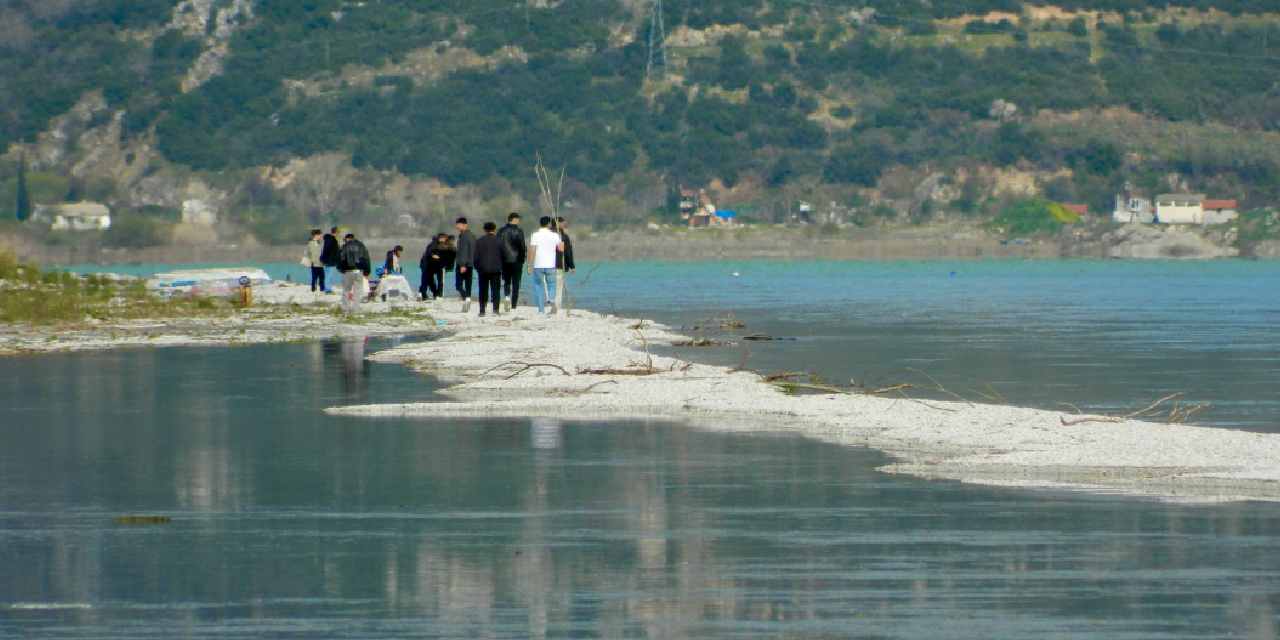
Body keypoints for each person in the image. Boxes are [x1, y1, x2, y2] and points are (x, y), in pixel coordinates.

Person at [526, 216, 564, 315]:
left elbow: (532, 250)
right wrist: (560, 239)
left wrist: (529, 265)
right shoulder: (555, 235)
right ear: (549, 224)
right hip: (550, 264)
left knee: (538, 286)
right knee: (552, 284)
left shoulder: (535, 235)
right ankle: (551, 298)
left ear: (540, 224)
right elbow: (561, 249)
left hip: (538, 265)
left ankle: (541, 310)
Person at [496, 212, 527, 312]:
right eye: (518, 219)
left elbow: (498, 245)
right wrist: (523, 259)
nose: (519, 221)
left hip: (504, 260)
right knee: (516, 283)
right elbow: (522, 246)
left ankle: (506, 297)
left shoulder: (501, 231)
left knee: (506, 280)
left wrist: (499, 258)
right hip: (517, 260)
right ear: (514, 219)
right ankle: (513, 305)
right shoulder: (519, 231)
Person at [474, 221, 504, 317]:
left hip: (483, 269)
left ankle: (482, 310)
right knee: (496, 290)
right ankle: (496, 309)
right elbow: (504, 255)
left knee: (483, 290)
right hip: (496, 269)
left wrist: (478, 268)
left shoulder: (479, 241)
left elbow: (475, 257)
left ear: (484, 230)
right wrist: (502, 267)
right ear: (494, 229)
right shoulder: (500, 241)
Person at [337, 232, 371, 313]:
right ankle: (356, 309)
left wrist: (340, 269)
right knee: (358, 291)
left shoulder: (344, 247)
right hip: (359, 271)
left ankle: (345, 309)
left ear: (347, 239)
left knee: (346, 290)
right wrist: (367, 271)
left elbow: (340, 259)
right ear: (353, 238)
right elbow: (366, 259)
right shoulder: (361, 246)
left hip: (347, 271)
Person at [554, 216, 576, 312]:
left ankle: (551, 303)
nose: (564, 225)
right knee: (558, 286)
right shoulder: (563, 237)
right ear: (558, 223)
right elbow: (567, 252)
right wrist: (572, 266)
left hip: (547, 265)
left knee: (550, 285)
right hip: (559, 264)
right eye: (563, 223)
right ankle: (557, 305)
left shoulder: (549, 235)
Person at [454, 217, 476, 312]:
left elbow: (463, 251)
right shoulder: (471, 235)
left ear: (464, 225)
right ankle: (467, 298)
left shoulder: (464, 236)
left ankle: (466, 298)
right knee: (468, 283)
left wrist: (462, 264)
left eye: (458, 224)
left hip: (463, 263)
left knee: (458, 285)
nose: (456, 226)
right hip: (470, 263)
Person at [418, 233, 447, 300]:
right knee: (433, 280)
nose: (445, 240)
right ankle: (436, 295)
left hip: (428, 265)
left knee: (427, 280)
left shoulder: (434, 244)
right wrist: (433, 255)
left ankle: (425, 294)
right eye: (444, 238)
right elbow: (430, 252)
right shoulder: (434, 244)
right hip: (429, 265)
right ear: (441, 238)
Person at [319, 226, 341, 292]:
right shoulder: (332, 240)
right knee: (329, 276)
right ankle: (327, 289)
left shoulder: (328, 239)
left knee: (327, 275)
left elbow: (325, 250)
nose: (338, 234)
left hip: (327, 260)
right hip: (330, 261)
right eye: (338, 233)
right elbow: (331, 251)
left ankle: (325, 288)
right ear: (336, 232)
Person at [305, 228, 325, 293]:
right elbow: (308, 253)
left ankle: (321, 290)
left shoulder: (319, 243)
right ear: (316, 235)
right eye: (320, 235)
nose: (320, 236)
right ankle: (314, 290)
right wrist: (311, 260)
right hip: (315, 263)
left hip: (320, 263)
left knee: (321, 277)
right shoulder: (311, 243)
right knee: (315, 278)